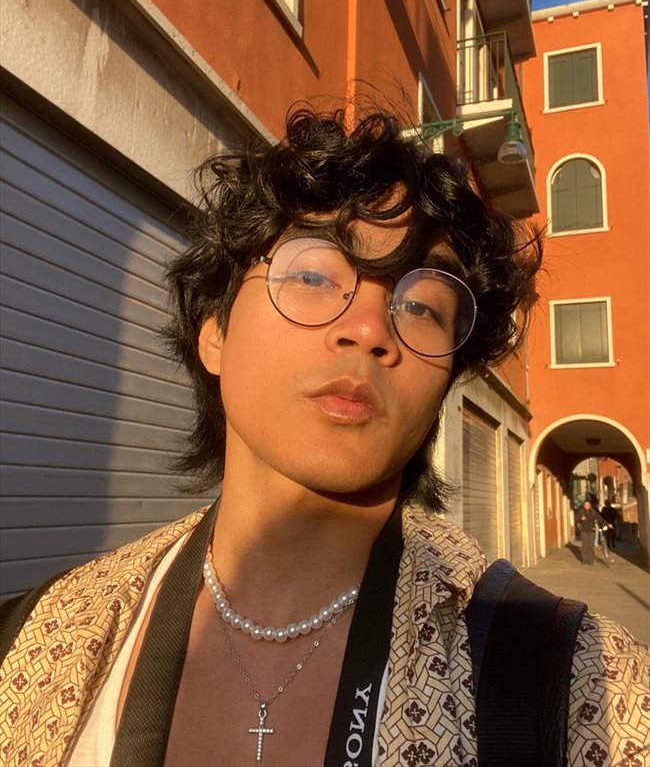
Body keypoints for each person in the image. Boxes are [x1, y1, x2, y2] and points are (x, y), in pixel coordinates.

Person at [1, 108, 648, 767]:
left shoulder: (582, 686)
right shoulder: (44, 636)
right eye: (313, 275)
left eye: (421, 305)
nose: (369, 329)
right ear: (215, 332)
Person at [579, 496, 611, 565]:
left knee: (591, 546)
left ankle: (590, 561)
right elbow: (576, 519)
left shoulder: (593, 512)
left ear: (590, 505)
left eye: (588, 505)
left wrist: (608, 524)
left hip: (591, 530)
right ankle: (584, 560)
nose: (586, 506)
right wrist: (581, 519)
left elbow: (600, 519)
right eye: (585, 505)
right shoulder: (581, 512)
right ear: (584, 506)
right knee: (585, 546)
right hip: (584, 530)